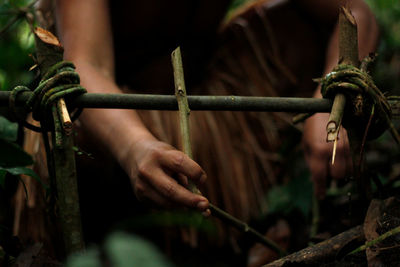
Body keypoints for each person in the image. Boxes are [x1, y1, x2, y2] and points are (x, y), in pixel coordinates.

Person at [21, 0, 376, 262]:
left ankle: (239, 231)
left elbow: (356, 13)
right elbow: (85, 64)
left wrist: (330, 99)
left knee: (292, 27)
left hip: (201, 106)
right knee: (78, 124)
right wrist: (135, 147)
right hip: (106, 128)